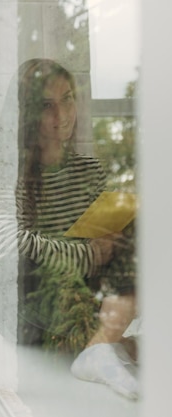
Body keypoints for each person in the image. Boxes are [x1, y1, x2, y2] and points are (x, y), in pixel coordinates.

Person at [12, 58, 138, 399]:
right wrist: (87, 254)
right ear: (29, 113)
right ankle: (105, 345)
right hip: (44, 301)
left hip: (91, 290)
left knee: (138, 226)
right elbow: (14, 243)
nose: (62, 115)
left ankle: (101, 344)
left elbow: (107, 243)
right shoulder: (17, 176)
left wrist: (112, 239)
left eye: (67, 99)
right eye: (47, 105)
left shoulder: (90, 171)